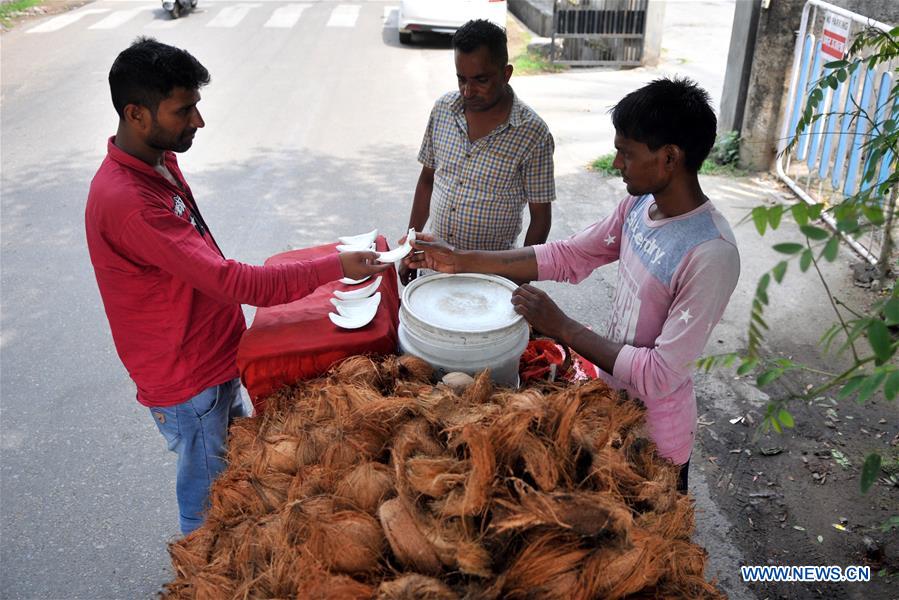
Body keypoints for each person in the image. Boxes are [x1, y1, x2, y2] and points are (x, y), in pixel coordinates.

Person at [84, 37, 388, 535]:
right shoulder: (128, 201)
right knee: (208, 510)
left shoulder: (158, 160)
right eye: (185, 110)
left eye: (197, 106)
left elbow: (204, 265)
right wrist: (335, 264)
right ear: (136, 114)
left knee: (238, 479)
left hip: (214, 356)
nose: (198, 121)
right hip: (187, 376)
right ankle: (201, 578)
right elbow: (234, 281)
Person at [406, 77, 741, 493]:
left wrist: (563, 327)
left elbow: (659, 375)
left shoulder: (710, 253)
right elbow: (570, 255)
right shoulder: (639, 206)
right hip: (606, 411)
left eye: (626, 153)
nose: (617, 163)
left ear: (669, 158)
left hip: (653, 444)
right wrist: (459, 260)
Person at [399, 19, 556, 285]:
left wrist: (520, 281)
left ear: (506, 74)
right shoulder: (443, 110)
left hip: (492, 277)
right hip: (434, 266)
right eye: (462, 79)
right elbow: (427, 181)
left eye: (481, 80)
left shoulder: (533, 133)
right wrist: (409, 247)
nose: (468, 91)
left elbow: (540, 219)